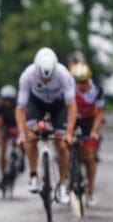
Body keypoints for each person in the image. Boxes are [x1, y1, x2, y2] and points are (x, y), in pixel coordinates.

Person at [15, 47, 78, 204]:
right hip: (37, 104)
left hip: (59, 104)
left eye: (49, 78)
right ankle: (34, 175)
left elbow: (71, 106)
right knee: (30, 137)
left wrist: (69, 133)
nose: (45, 81)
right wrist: (22, 133)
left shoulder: (64, 75)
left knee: (62, 144)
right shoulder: (27, 76)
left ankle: (62, 185)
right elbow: (20, 108)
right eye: (42, 78)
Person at [70, 62, 105, 206]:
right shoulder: (68, 89)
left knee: (90, 157)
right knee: (64, 147)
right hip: (72, 120)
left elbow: (100, 113)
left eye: (83, 82)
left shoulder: (97, 90)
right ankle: (67, 178)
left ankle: (90, 190)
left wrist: (94, 132)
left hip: (89, 122)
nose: (80, 85)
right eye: (77, 82)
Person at [0, 84, 22, 189]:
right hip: (6, 126)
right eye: (6, 99)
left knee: (24, 142)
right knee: (2, 150)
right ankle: (3, 174)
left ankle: (22, 160)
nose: (8, 102)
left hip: (17, 124)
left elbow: (24, 118)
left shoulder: (19, 104)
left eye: (10, 100)